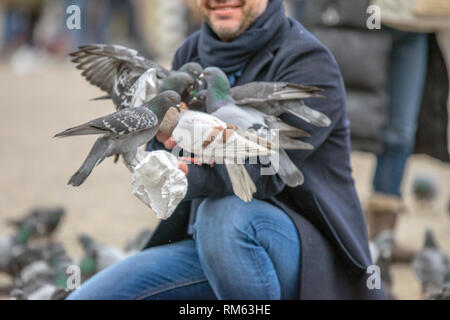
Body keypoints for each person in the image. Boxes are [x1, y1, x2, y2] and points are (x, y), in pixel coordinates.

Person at [68, 0, 386, 300]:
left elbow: (266, 171)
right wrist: (154, 149)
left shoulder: (309, 61)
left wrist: (187, 175)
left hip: (301, 255)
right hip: (206, 247)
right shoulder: (190, 53)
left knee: (222, 215)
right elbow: (169, 139)